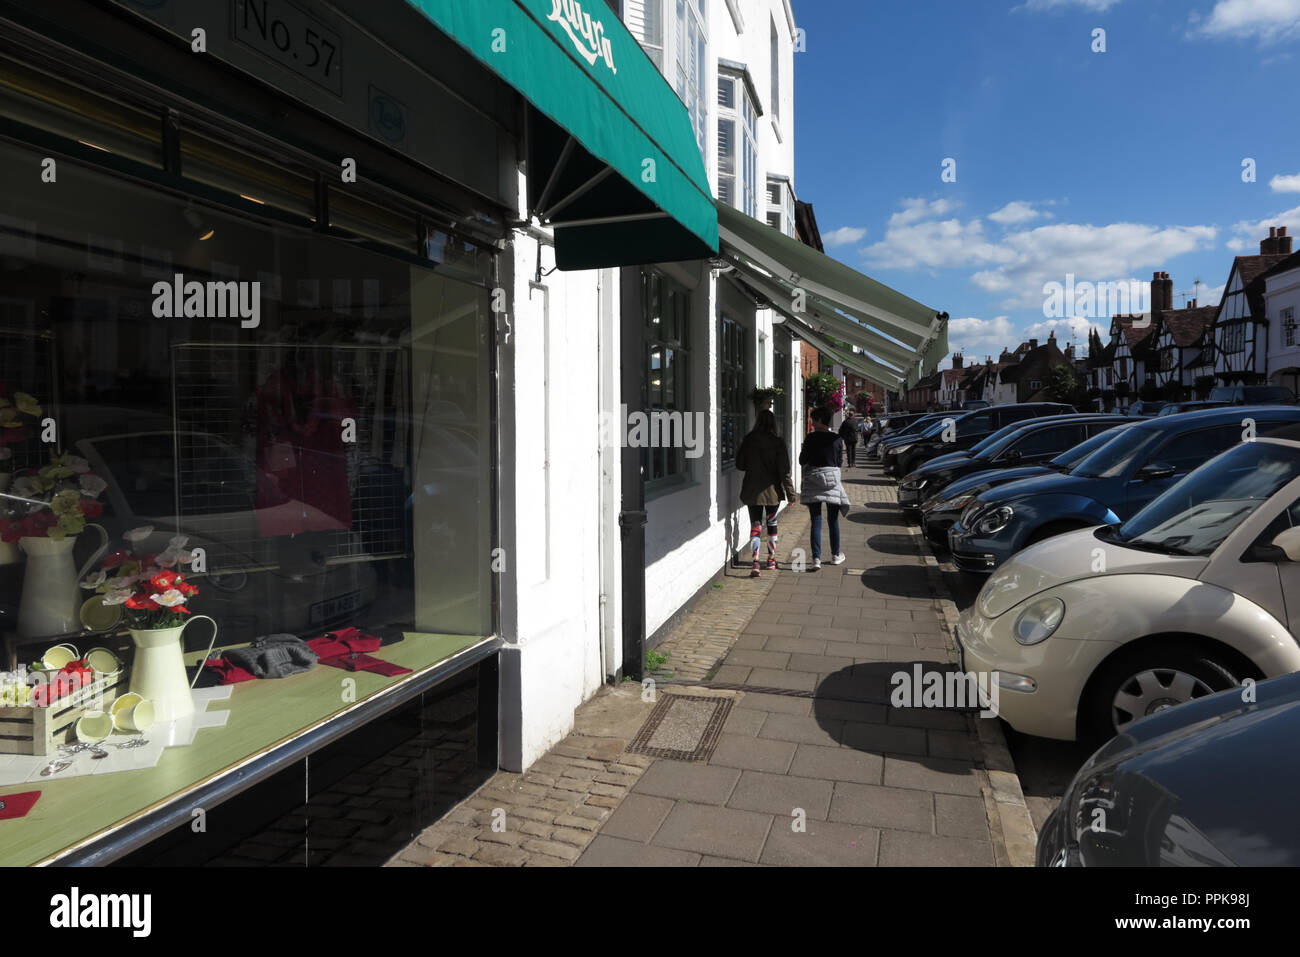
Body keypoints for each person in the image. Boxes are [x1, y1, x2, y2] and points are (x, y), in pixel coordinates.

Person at [736, 410, 796, 576]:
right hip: (773, 493)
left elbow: (740, 465)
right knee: (772, 524)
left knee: (755, 525)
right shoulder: (778, 442)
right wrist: (791, 494)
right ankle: (770, 559)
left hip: (752, 490)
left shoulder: (749, 440)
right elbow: (784, 471)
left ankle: (755, 562)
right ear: (773, 423)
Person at [799, 407, 850, 570]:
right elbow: (839, 462)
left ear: (820, 420)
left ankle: (816, 559)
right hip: (832, 481)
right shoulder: (836, 439)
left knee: (816, 520)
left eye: (813, 420)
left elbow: (802, 460)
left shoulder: (810, 438)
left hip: (813, 480)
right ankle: (835, 555)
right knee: (833, 520)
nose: (812, 423)